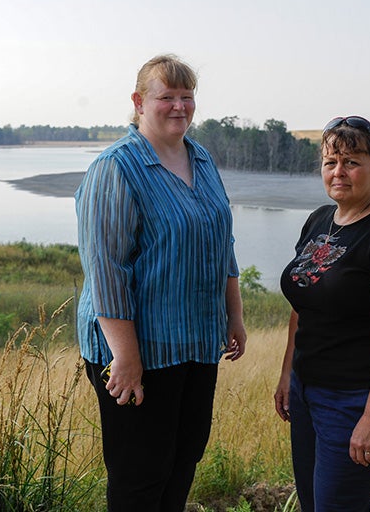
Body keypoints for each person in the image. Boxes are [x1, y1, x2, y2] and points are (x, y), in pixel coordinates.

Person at [75, 54, 247, 512]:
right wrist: (126, 358)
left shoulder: (202, 157)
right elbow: (106, 269)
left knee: (182, 462)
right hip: (141, 352)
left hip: (195, 342)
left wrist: (235, 315)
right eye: (165, 97)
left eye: (186, 97)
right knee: (140, 477)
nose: (178, 107)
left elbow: (221, 241)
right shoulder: (116, 169)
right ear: (138, 102)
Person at [273, 116, 370, 511]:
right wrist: (289, 374)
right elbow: (302, 305)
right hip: (307, 392)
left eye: (352, 161)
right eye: (330, 162)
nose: (339, 171)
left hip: (354, 399)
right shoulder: (319, 220)